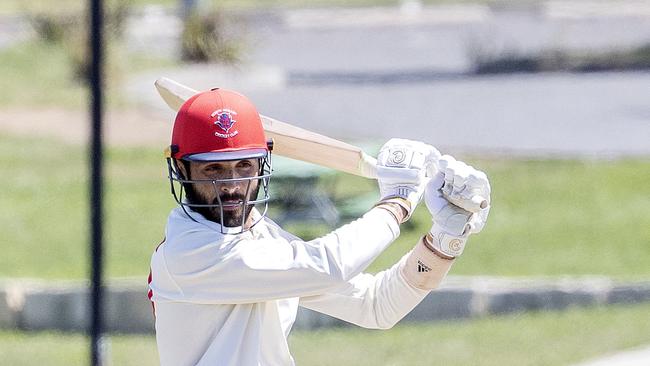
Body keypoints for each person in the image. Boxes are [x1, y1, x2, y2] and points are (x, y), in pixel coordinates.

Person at [148, 88, 491, 366]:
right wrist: (397, 201)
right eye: (213, 170)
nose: (233, 185)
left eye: (243, 165)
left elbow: (375, 306)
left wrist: (445, 238)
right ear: (182, 170)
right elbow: (326, 266)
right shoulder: (189, 253)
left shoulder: (261, 238)